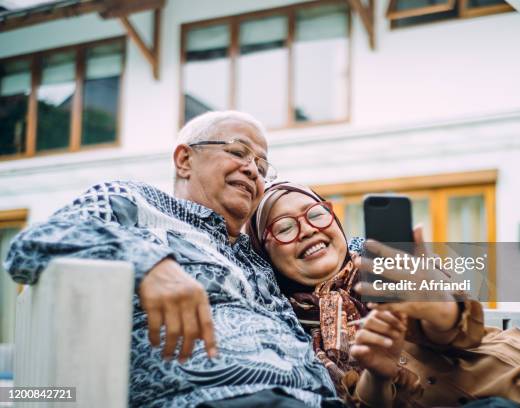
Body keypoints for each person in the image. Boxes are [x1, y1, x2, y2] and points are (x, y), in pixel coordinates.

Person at [4, 111, 343, 408]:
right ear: (184, 160)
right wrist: (151, 261)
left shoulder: (256, 256)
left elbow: (337, 254)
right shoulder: (135, 204)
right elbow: (33, 244)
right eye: (239, 152)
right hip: (218, 397)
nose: (253, 170)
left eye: (262, 166)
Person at [247, 181, 520, 408]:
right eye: (283, 227)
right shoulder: (288, 335)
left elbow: (465, 328)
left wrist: (436, 306)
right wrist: (379, 374)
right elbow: (363, 402)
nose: (307, 230)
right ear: (266, 255)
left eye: (315, 214)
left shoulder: (391, 267)